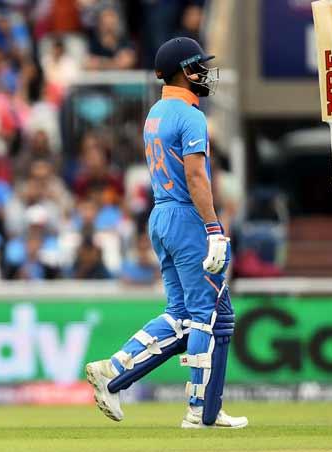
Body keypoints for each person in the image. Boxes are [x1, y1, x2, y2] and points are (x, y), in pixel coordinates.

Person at [85, 37, 248, 429]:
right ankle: (197, 409)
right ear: (184, 70)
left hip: (161, 215)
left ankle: (116, 368)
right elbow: (195, 176)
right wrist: (214, 229)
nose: (206, 73)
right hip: (189, 218)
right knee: (204, 317)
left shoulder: (156, 112)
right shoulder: (190, 115)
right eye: (199, 66)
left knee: (187, 314)